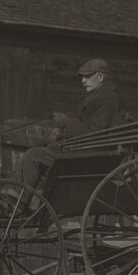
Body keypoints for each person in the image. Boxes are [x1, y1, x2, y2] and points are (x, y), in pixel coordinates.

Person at [18, 58, 123, 191]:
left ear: (100, 76)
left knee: (33, 155)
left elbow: (96, 131)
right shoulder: (100, 97)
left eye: (86, 77)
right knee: (34, 153)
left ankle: (16, 205)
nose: (83, 81)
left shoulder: (110, 98)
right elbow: (86, 125)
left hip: (89, 158)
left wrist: (66, 122)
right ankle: (8, 198)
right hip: (82, 152)